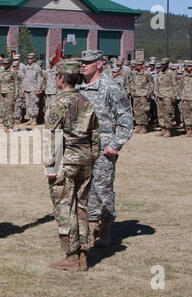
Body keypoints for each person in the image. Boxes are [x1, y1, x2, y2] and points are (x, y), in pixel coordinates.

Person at [44, 59, 100, 271]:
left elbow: (54, 136)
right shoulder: (87, 101)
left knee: (65, 208)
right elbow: (95, 134)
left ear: (61, 78)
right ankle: (83, 253)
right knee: (82, 206)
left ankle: (72, 255)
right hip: (85, 159)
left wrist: (51, 166)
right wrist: (92, 157)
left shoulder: (58, 103)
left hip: (66, 160)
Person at [78, 50, 133, 248]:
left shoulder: (111, 87)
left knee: (102, 189)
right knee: (84, 189)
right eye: (82, 62)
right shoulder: (80, 87)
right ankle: (89, 229)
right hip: (81, 147)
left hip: (103, 148)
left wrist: (115, 144)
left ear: (100, 64)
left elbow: (126, 119)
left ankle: (105, 229)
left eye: (89, 62)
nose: (83, 65)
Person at [155, 57, 178, 137]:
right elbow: (157, 85)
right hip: (160, 96)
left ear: (167, 64)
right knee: (160, 113)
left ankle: (168, 130)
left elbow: (175, 85)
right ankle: (163, 129)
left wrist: (174, 96)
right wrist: (156, 94)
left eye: (164, 64)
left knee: (168, 113)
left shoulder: (172, 73)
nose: (162, 66)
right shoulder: (160, 73)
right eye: (161, 64)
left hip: (168, 96)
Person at [130, 57, 154, 134]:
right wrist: (132, 92)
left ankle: (143, 126)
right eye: (137, 64)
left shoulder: (147, 73)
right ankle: (138, 125)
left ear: (142, 65)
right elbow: (132, 83)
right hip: (136, 94)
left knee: (144, 111)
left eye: (139, 64)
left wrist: (149, 93)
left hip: (144, 95)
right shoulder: (134, 73)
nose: (138, 66)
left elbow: (151, 84)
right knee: (136, 110)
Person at [22, 53, 43, 125]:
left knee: (34, 104)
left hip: (34, 89)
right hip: (27, 89)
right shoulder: (26, 67)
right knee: (28, 104)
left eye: (30, 58)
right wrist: (24, 88)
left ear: (34, 59)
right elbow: (24, 78)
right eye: (28, 58)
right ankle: (30, 118)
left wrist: (38, 89)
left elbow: (40, 79)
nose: (29, 60)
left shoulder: (37, 67)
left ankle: (35, 119)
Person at [0, 58, 19, 131]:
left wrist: (16, 95)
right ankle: (5, 125)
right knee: (3, 110)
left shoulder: (12, 71)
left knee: (9, 109)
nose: (4, 65)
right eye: (3, 63)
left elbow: (17, 83)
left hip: (10, 93)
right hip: (2, 93)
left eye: (6, 63)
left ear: (9, 64)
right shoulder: (2, 71)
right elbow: (0, 83)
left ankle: (11, 126)